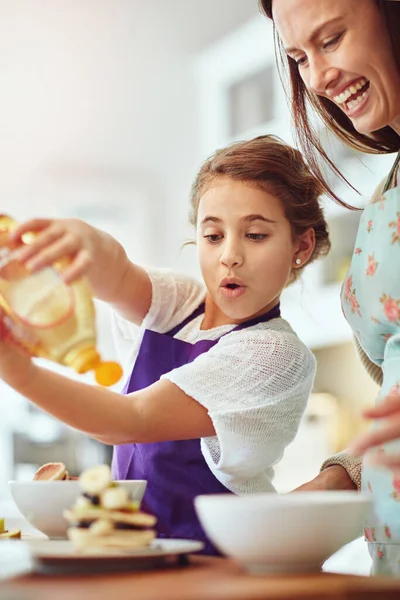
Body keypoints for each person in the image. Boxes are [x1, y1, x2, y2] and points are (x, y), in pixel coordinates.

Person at [0, 135, 329, 555]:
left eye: (256, 235)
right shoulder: (182, 304)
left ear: (300, 246)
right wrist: (80, 238)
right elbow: (115, 272)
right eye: (213, 236)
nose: (230, 255)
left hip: (221, 568)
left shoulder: (274, 355)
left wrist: (17, 369)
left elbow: (131, 419)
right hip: (138, 556)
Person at [259, 0, 400, 575]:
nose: (317, 78)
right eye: (299, 58)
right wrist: (342, 475)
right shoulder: (386, 198)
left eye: (332, 39)